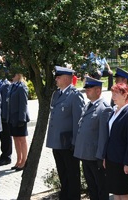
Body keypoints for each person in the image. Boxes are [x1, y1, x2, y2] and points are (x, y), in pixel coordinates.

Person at [46, 66, 85, 200]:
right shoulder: (57, 94)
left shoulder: (74, 95)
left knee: (72, 175)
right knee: (63, 173)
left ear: (67, 79)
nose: (56, 79)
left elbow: (78, 121)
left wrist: (75, 142)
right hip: (57, 141)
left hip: (68, 143)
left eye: (58, 77)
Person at [74, 77, 112, 200]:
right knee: (92, 187)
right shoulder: (88, 105)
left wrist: (100, 156)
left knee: (101, 188)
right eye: (86, 89)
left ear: (98, 90)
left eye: (89, 89)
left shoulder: (104, 108)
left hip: (95, 156)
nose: (86, 91)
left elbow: (103, 135)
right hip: (85, 154)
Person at [105, 83, 128, 200]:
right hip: (111, 159)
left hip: (122, 160)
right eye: (112, 93)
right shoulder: (114, 111)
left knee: (124, 192)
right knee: (116, 191)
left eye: (116, 94)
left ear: (125, 95)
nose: (113, 96)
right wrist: (105, 156)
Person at [7, 71, 30, 171]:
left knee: (22, 139)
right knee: (16, 139)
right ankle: (19, 160)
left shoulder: (22, 86)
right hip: (13, 118)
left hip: (20, 117)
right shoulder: (12, 86)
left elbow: (23, 104)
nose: (12, 75)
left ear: (19, 74)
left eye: (14, 73)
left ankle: (24, 161)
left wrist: (22, 119)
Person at [0, 64, 12, 166]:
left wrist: (4, 116)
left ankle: (7, 156)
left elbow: (5, 102)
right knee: (2, 136)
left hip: (4, 116)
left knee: (6, 137)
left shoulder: (5, 85)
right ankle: (4, 155)